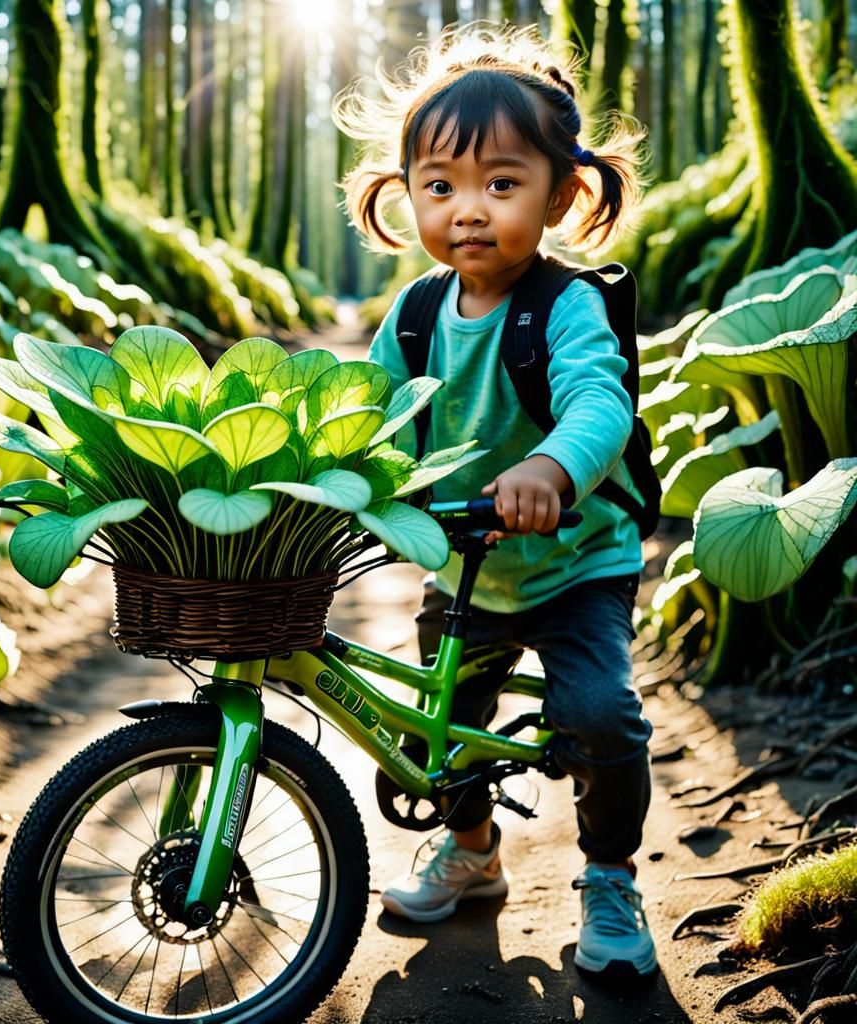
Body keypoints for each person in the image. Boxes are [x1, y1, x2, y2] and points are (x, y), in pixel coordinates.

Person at [333, 23, 656, 978]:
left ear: (562, 195)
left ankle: (609, 875)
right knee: (435, 723)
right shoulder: (417, 314)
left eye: (501, 185)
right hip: (464, 564)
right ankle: (474, 854)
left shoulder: (567, 305)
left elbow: (601, 399)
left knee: (597, 711)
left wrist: (552, 470)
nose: (468, 210)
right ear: (406, 196)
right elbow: (368, 411)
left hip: (573, 560)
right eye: (441, 186)